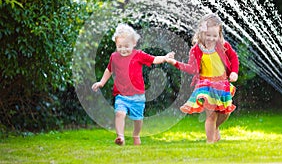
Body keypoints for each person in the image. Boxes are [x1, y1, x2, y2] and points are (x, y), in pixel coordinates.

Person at [92, 24, 174, 146]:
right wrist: (101, 82)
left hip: (137, 95)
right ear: (115, 44)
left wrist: (165, 58)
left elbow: (153, 59)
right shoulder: (114, 57)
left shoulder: (138, 55)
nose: (123, 49)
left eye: (126, 46)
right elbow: (109, 70)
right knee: (120, 113)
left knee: (138, 119)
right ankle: (120, 137)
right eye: (119, 46)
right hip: (121, 95)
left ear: (134, 43)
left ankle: (136, 135)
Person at [166, 13, 239, 143]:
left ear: (219, 34)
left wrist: (234, 72)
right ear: (201, 33)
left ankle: (215, 128)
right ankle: (210, 141)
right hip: (206, 85)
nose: (211, 39)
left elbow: (233, 58)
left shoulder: (223, 45)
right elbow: (192, 69)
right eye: (208, 35)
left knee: (225, 112)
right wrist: (175, 63)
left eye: (214, 36)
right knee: (211, 115)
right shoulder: (196, 50)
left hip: (222, 83)